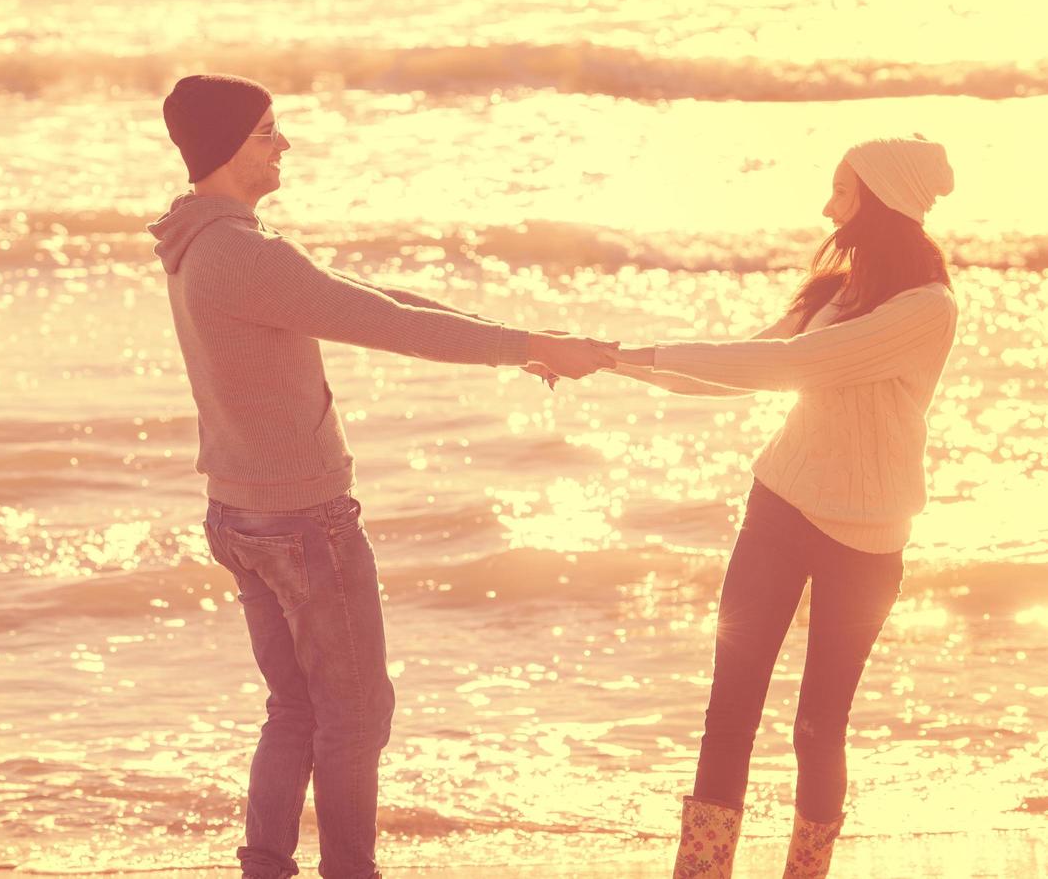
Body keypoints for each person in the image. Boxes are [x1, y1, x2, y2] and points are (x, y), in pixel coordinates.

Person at [149, 73, 612, 879]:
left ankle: (265, 866)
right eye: (266, 132)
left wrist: (523, 336)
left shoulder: (201, 239)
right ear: (227, 147)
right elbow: (384, 324)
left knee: (295, 709)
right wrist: (527, 347)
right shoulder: (241, 252)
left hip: (241, 513)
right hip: (300, 523)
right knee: (356, 718)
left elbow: (365, 297)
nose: (283, 143)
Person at [592, 135, 958, 878]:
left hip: (869, 540)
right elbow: (741, 365)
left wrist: (634, 355)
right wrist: (613, 358)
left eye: (843, 193)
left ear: (883, 200)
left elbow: (792, 366)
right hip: (781, 508)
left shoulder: (927, 310)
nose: (829, 208)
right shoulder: (834, 292)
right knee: (728, 712)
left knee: (818, 730)